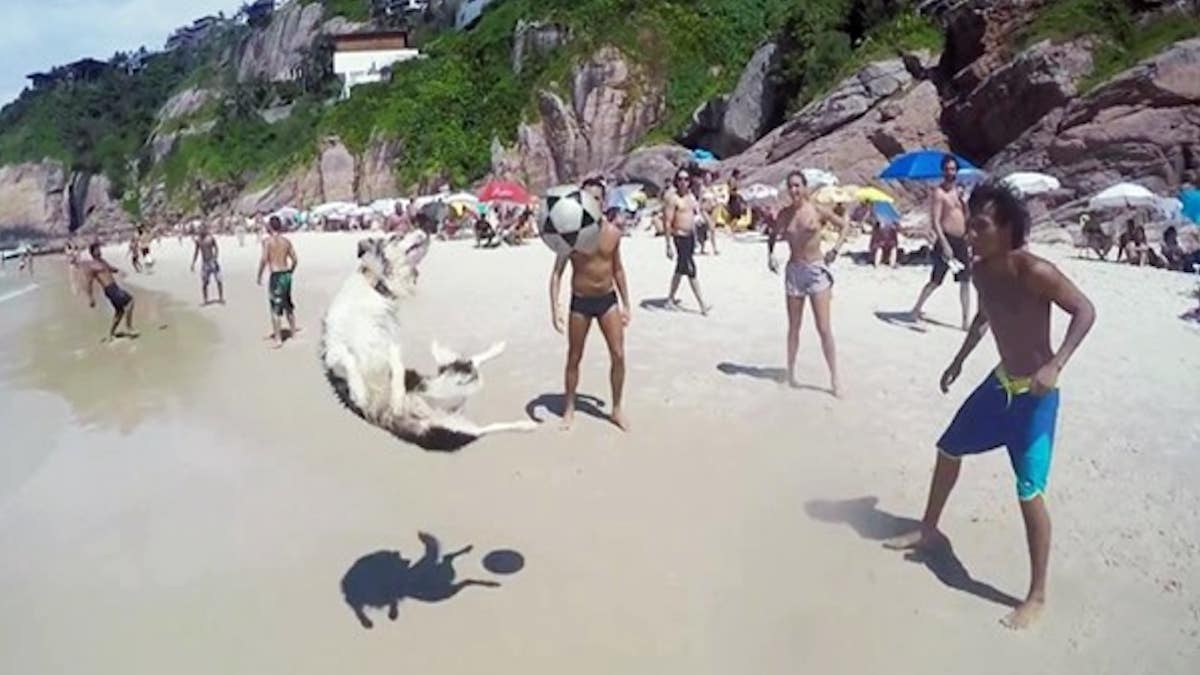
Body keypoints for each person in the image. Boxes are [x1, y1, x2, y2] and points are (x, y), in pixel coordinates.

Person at [884, 181, 1096, 630]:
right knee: (948, 448)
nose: (970, 232)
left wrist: (1056, 364)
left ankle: (1036, 595)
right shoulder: (980, 270)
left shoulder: (1036, 271)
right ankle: (929, 528)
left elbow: (1085, 310)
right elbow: (986, 316)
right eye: (970, 223)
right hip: (998, 386)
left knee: (1028, 492)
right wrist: (958, 360)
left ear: (1007, 229)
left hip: (1035, 399)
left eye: (980, 225)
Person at [550, 177, 631, 431]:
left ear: (603, 201)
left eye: (595, 198)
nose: (591, 203)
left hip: (607, 301)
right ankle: (570, 408)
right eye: (586, 198)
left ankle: (616, 409)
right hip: (580, 302)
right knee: (574, 357)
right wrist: (555, 307)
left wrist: (627, 304)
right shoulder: (571, 234)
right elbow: (556, 274)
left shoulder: (613, 232)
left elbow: (618, 270)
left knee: (618, 355)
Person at [767, 171, 851, 396]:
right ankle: (791, 372)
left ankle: (835, 378)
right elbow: (773, 235)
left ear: (804, 187)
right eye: (790, 186)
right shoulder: (784, 214)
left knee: (823, 328)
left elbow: (843, 225)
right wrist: (771, 255)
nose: (793, 190)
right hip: (794, 271)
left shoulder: (816, 209)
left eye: (797, 186)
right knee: (794, 327)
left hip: (816, 270)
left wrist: (835, 250)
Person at [911, 154, 973, 329]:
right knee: (936, 280)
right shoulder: (939, 193)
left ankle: (965, 320)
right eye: (947, 169)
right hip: (946, 239)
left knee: (965, 281)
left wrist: (965, 203)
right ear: (942, 171)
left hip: (961, 240)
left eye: (953, 169)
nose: (950, 173)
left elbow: (966, 215)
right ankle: (917, 307)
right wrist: (944, 244)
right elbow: (935, 221)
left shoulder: (960, 192)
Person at [664, 168, 713, 314]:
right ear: (676, 181)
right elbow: (667, 222)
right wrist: (668, 245)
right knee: (691, 269)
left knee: (681, 268)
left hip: (691, 237)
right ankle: (702, 304)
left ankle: (670, 299)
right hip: (679, 237)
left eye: (686, 179)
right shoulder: (673, 199)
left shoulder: (691, 197)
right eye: (680, 179)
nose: (683, 182)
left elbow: (697, 213)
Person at [256, 216, 299, 349]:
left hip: (276, 275)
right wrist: (290, 271)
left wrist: (259, 275)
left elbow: (264, 259)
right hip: (286, 274)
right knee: (288, 303)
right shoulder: (286, 241)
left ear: (269, 227)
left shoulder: (267, 242)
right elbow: (295, 259)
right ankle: (293, 333)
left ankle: (278, 339)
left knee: (275, 308)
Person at [83, 242, 137, 341]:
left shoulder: (102, 261)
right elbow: (88, 283)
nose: (100, 251)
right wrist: (90, 298)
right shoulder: (91, 266)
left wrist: (119, 271)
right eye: (97, 250)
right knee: (130, 301)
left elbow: (110, 268)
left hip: (114, 287)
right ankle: (129, 328)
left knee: (119, 312)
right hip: (109, 289)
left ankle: (111, 334)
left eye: (100, 249)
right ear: (93, 252)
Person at [190, 225, 225, 305]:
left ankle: (221, 298)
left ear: (205, 230)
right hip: (205, 263)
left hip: (212, 261)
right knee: (205, 283)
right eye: (199, 230)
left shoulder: (210, 238)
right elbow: (196, 252)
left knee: (219, 280)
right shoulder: (198, 240)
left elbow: (216, 248)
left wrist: (215, 257)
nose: (200, 231)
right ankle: (205, 300)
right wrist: (193, 263)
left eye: (202, 229)